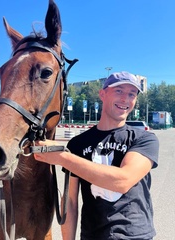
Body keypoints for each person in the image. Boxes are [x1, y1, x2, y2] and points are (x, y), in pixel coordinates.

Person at [34, 71, 159, 240]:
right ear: (102, 94)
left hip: (135, 235)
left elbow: (123, 181)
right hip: (92, 235)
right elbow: (70, 202)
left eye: (132, 94)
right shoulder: (78, 144)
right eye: (119, 91)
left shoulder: (144, 139)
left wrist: (61, 157)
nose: (125, 99)